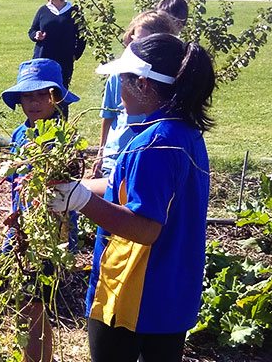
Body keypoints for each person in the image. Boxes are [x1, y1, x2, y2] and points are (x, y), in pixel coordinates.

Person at [48, 33, 214, 362]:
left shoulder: (153, 145)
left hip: (132, 296)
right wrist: (71, 189)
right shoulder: (183, 133)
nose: (118, 92)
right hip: (171, 293)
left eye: (121, 81)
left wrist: (81, 201)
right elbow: (122, 188)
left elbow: (146, 227)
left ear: (143, 84)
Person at [0, 58, 80, 362]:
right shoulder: (20, 135)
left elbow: (65, 187)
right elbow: (13, 184)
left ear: (56, 97)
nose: (33, 103)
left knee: (33, 305)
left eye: (41, 95)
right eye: (26, 96)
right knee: (23, 303)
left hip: (46, 237)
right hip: (21, 232)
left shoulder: (61, 140)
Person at [93, 10, 178, 178]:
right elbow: (108, 115)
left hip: (137, 163)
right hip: (114, 158)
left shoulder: (156, 140)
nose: (133, 44)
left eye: (141, 41)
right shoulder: (116, 77)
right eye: (133, 38)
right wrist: (101, 153)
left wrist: (80, 195)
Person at [28, 0, 86, 117]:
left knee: (60, 95)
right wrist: (36, 35)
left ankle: (62, 128)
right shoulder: (43, 10)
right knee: (40, 95)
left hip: (63, 62)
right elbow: (32, 30)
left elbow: (83, 35)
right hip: (42, 60)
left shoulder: (73, 11)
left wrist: (75, 54)